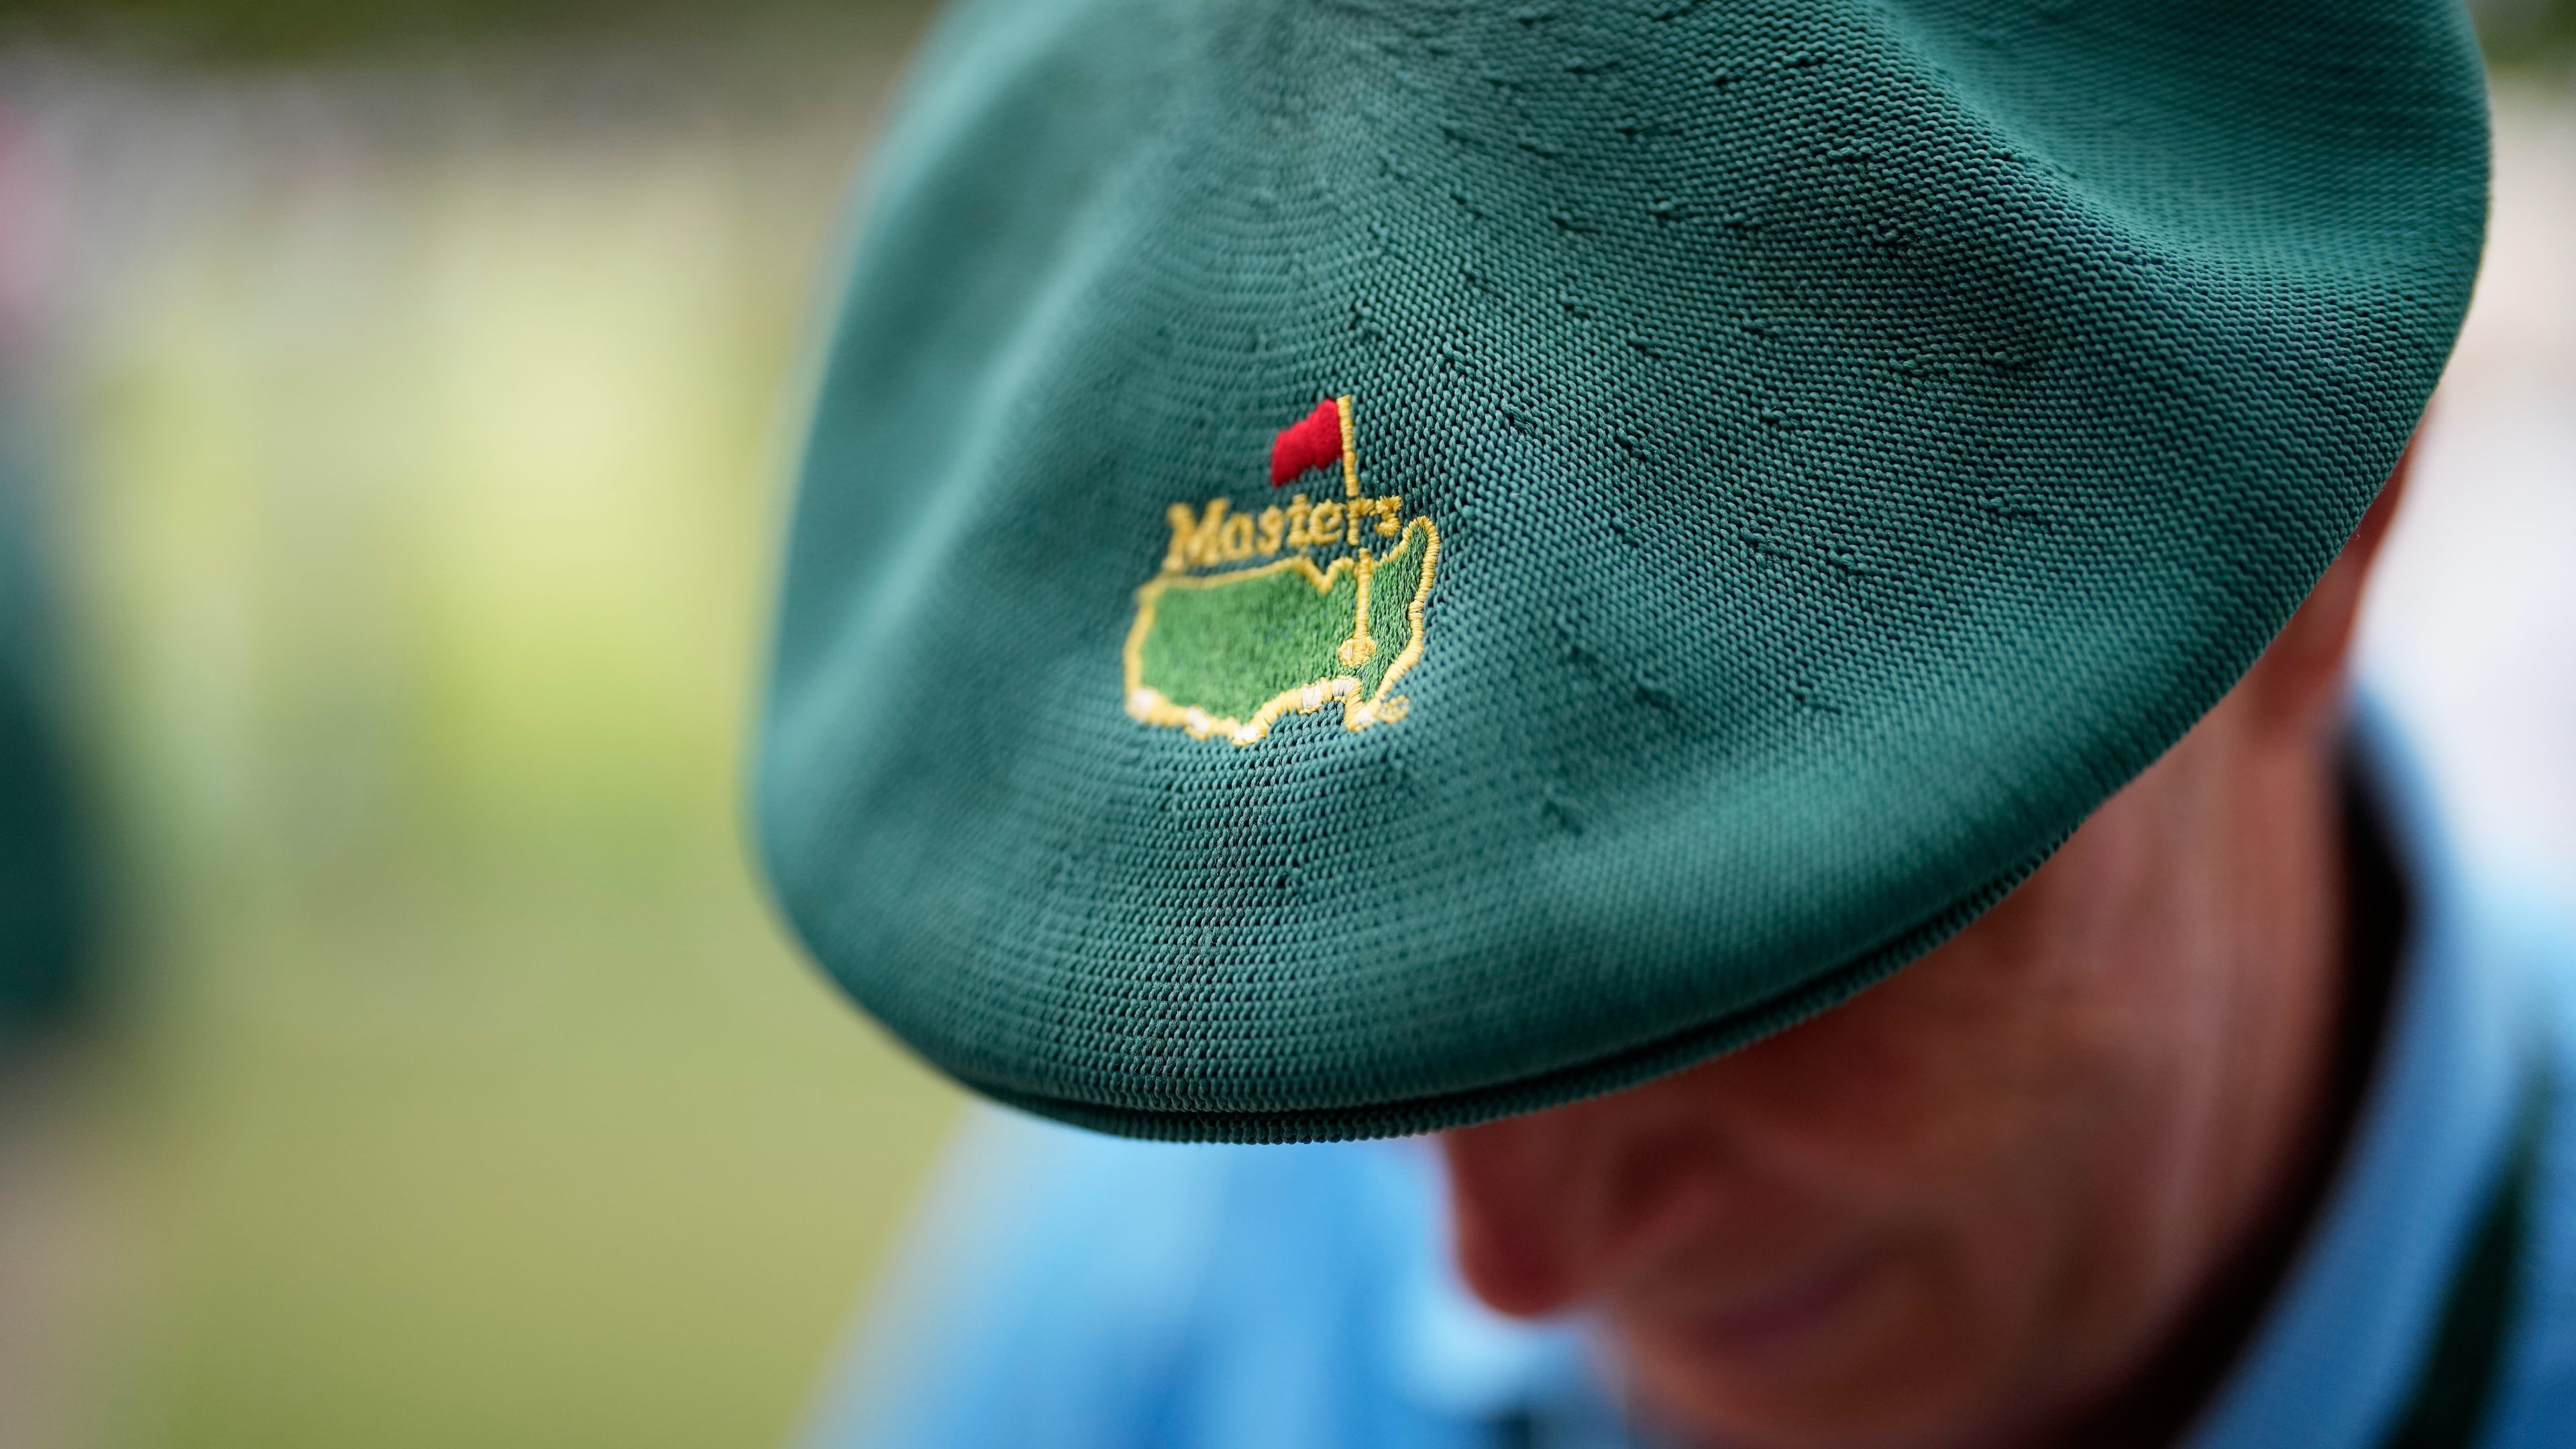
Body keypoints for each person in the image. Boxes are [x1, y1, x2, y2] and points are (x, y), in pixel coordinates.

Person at [752, 1, 2570, 1444]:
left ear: (2330, 549)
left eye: (1761, 964)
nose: (1509, 1267)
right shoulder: (1172, 1286)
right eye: (1389, 989)